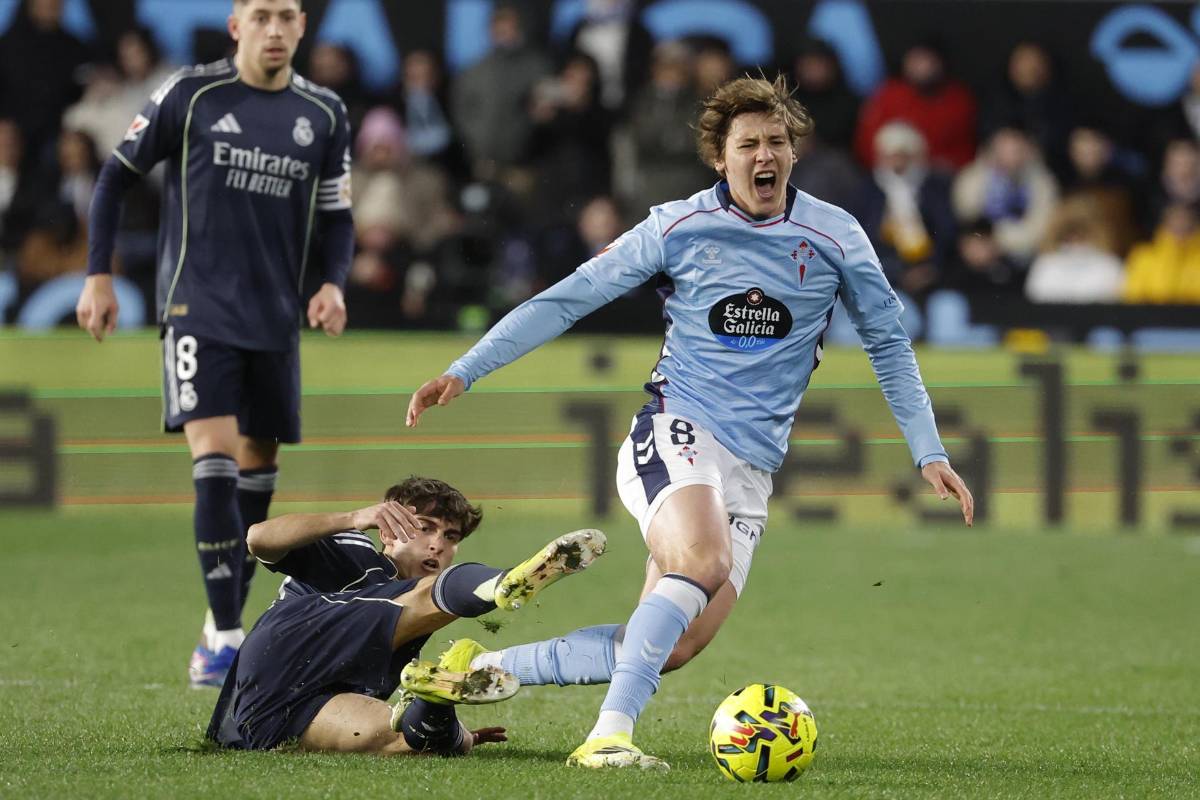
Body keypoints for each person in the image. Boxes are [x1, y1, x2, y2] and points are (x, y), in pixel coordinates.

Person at [407, 75, 974, 770]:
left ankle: (471, 667)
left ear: (793, 152)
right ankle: (608, 737)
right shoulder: (676, 227)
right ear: (720, 158)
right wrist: (467, 368)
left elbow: (888, 340)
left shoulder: (835, 234)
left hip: (752, 466)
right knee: (700, 563)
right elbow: (568, 299)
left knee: (673, 645)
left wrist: (928, 450)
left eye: (777, 142)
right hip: (676, 430)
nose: (764, 155)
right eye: (748, 144)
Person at [74, 0, 356, 688]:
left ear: (301, 27)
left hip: (274, 318)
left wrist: (333, 284)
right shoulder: (190, 94)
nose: (276, 29)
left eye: (288, 16)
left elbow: (338, 215)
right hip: (196, 306)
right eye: (261, 15)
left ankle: (220, 619)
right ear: (236, 26)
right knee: (215, 453)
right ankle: (227, 635)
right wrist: (98, 277)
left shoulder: (323, 114)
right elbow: (115, 177)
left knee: (259, 459)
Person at [207, 476, 607, 754]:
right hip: (283, 651)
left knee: (408, 739)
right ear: (387, 529)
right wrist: (352, 518)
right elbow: (258, 538)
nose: (437, 545)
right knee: (426, 597)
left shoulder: (402, 620)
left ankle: (433, 709)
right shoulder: (355, 552)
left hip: (262, 721)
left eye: (451, 537)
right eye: (425, 528)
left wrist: (460, 738)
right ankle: (503, 583)